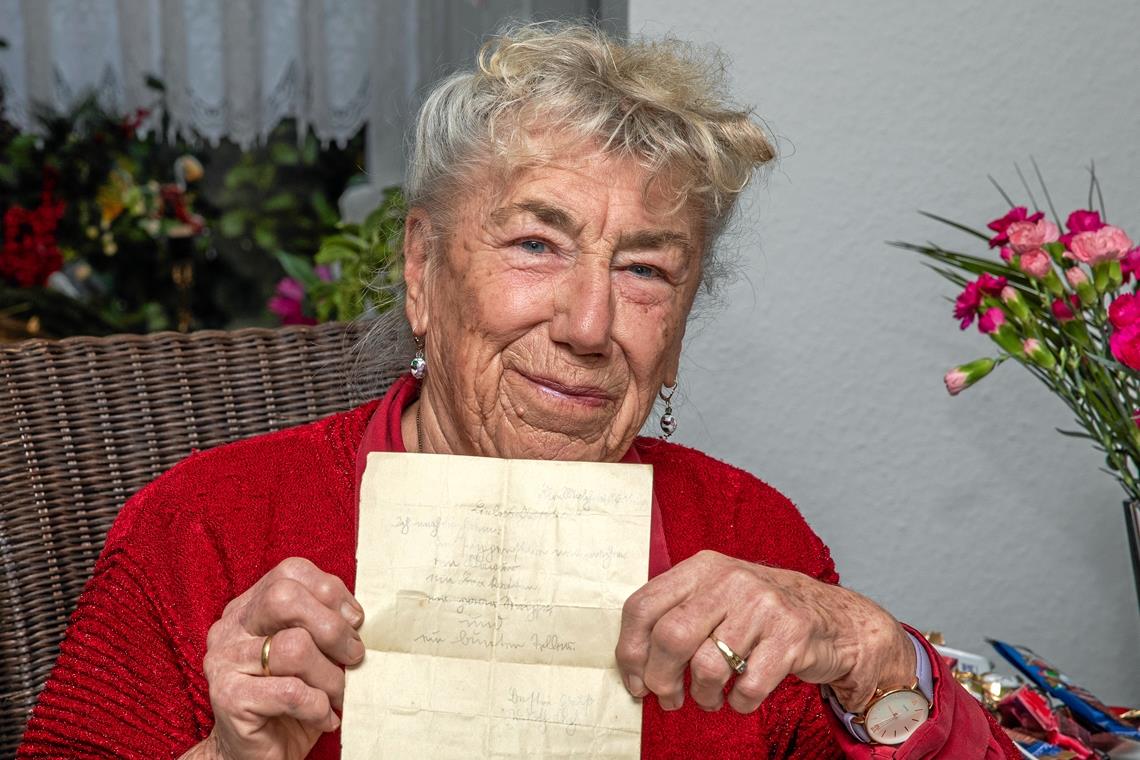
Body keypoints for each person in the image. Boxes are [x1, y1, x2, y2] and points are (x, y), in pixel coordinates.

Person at [18, 22, 1019, 760]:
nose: (589, 325)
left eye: (646, 270)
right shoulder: (210, 526)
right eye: (536, 243)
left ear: (674, 338)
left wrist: (871, 650)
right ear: (422, 271)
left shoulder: (750, 534)